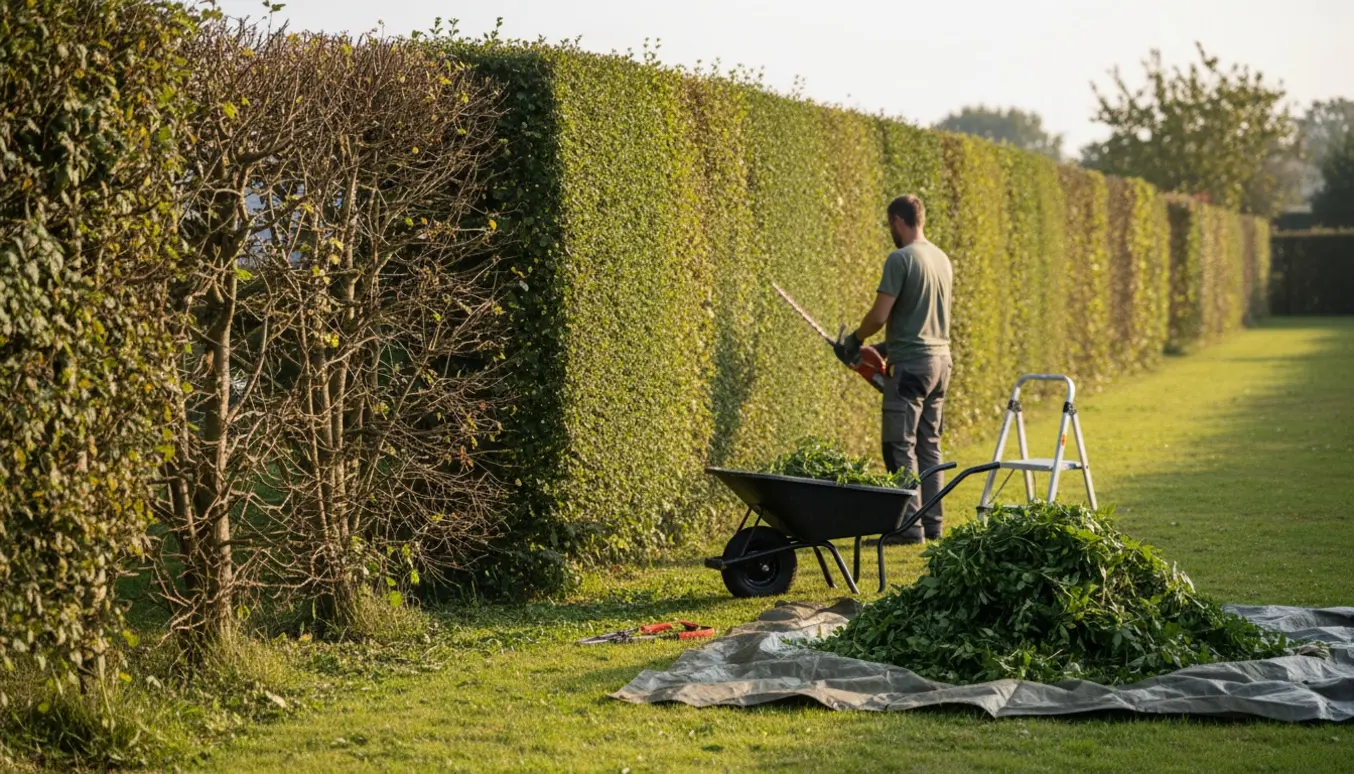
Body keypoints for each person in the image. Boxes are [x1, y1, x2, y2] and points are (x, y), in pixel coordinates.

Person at [833, 194, 953, 543]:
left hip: (912, 366)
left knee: (899, 445)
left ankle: (908, 528)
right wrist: (884, 349)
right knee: (929, 444)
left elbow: (880, 315)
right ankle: (933, 525)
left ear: (898, 221)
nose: (891, 231)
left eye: (890, 225)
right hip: (941, 362)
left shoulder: (900, 259)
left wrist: (854, 341)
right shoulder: (941, 258)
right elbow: (924, 320)